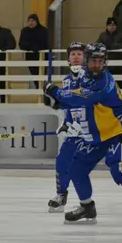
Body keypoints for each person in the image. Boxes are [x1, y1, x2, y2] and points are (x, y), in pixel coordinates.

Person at [43, 43, 122, 224]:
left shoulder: (104, 81)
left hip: (118, 131)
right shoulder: (82, 78)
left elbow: (83, 98)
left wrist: (54, 91)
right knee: (76, 168)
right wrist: (57, 104)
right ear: (86, 61)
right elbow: (76, 101)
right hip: (97, 136)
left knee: (120, 168)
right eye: (93, 61)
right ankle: (87, 207)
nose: (97, 65)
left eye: (100, 61)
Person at [47, 42, 86, 213]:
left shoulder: (91, 78)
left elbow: (87, 101)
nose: (76, 57)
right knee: (62, 160)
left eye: (79, 54)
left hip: (95, 131)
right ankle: (61, 195)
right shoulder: (67, 81)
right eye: (73, 54)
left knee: (113, 163)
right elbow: (69, 105)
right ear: (68, 59)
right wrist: (65, 119)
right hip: (75, 132)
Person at [96, 18, 122, 97]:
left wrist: (112, 46)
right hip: (106, 65)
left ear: (116, 26)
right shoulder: (103, 35)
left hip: (119, 65)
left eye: (113, 25)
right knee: (106, 84)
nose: (111, 27)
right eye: (109, 25)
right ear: (107, 26)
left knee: (120, 84)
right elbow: (97, 45)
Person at [18, 14, 49, 89]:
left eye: (32, 21)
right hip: (30, 58)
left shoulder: (44, 30)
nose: (30, 23)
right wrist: (31, 47)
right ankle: (39, 91)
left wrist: (37, 47)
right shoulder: (24, 31)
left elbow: (47, 44)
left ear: (37, 21)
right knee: (35, 77)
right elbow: (21, 44)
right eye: (29, 21)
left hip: (42, 57)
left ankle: (44, 92)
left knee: (42, 76)